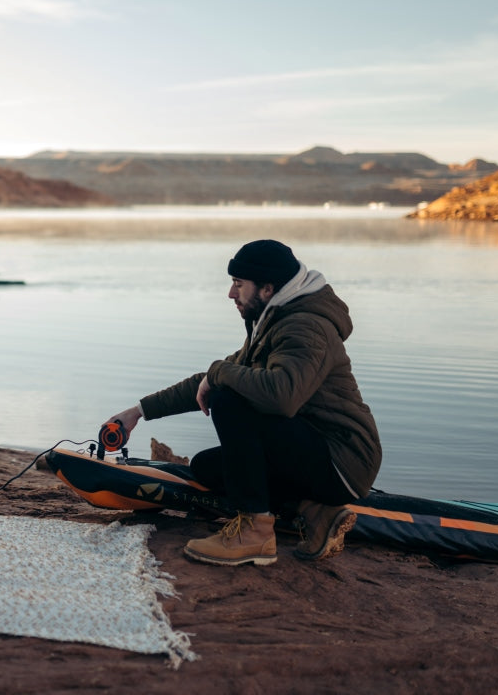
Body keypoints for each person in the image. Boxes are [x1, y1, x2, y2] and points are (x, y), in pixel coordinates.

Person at [105, 239, 381, 567]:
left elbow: (281, 396)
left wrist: (220, 374)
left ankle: (254, 532)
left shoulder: (304, 327)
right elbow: (204, 381)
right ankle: (316, 511)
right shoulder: (274, 322)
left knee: (228, 396)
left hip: (343, 460)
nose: (231, 294)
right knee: (208, 468)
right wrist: (138, 411)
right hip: (317, 452)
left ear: (267, 288)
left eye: (238, 284)